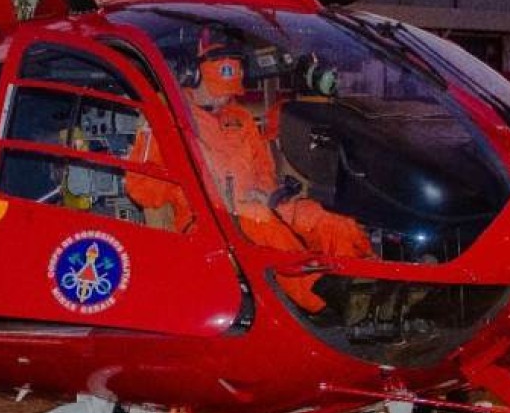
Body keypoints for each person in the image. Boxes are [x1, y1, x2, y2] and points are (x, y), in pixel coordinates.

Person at [129, 44, 370, 312]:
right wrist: (186, 176)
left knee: (329, 220)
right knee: (262, 223)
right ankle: (324, 300)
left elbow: (264, 173)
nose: (224, 100)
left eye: (230, 93)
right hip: (205, 220)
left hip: (257, 205)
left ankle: (365, 286)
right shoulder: (167, 119)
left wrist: (268, 193)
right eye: (218, 91)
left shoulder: (241, 118)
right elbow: (141, 190)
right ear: (191, 76)